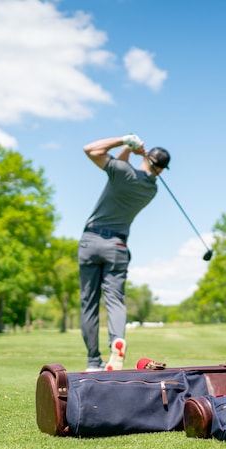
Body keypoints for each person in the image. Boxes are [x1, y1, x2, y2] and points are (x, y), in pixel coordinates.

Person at [79, 133, 171, 371]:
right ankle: (116, 342)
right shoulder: (151, 190)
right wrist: (133, 150)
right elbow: (123, 165)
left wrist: (124, 141)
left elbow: (90, 149)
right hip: (118, 247)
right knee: (115, 300)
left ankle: (92, 361)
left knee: (89, 303)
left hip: (91, 240)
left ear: (147, 158)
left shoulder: (122, 172)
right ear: (161, 170)